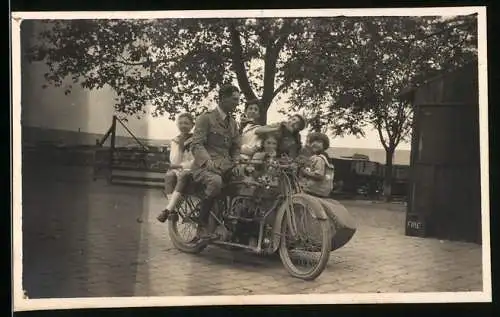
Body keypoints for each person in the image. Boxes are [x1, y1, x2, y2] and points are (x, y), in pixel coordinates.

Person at [190, 84, 242, 239]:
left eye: (238, 100)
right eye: (234, 99)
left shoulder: (233, 123)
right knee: (216, 182)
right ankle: (202, 225)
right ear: (223, 98)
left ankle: (230, 223)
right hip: (205, 167)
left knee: (246, 184)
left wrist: (237, 162)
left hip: (226, 166)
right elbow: (196, 144)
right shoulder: (206, 118)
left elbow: (236, 147)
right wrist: (207, 162)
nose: (237, 103)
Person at [157, 113, 195, 223]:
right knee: (169, 175)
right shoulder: (175, 141)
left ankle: (168, 209)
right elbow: (174, 161)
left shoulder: (195, 140)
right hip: (178, 168)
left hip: (191, 168)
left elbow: (195, 160)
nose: (183, 125)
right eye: (181, 123)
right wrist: (180, 148)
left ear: (192, 125)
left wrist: (180, 166)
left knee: (183, 174)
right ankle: (173, 210)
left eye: (186, 123)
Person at [299, 132, 335, 198]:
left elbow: (319, 176)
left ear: (325, 144)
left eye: (318, 142)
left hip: (314, 189)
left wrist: (304, 172)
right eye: (312, 142)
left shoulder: (319, 159)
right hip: (324, 190)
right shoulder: (327, 158)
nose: (314, 144)